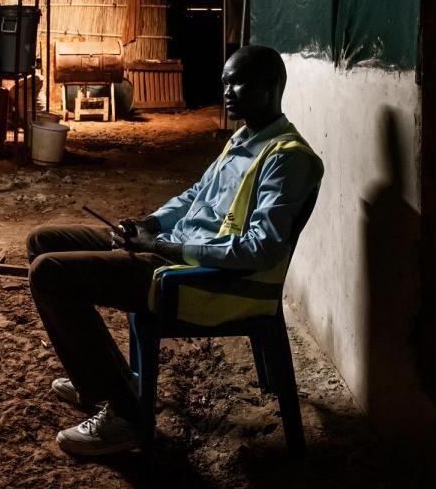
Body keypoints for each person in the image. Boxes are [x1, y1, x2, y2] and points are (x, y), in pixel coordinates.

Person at [27, 44, 323, 456]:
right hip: (172, 250)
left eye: (238, 82)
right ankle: (115, 379)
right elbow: (196, 195)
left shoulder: (288, 158)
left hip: (196, 276)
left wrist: (164, 245)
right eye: (224, 84)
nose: (228, 92)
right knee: (42, 241)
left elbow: (258, 250)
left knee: (49, 273)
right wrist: (151, 223)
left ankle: (127, 414)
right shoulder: (244, 138)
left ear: (272, 86)